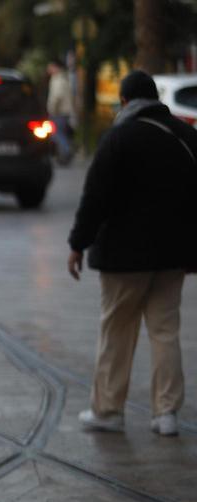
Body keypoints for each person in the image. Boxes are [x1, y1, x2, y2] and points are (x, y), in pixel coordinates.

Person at [67, 70, 197, 437]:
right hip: (172, 255)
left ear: (124, 102)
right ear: (156, 98)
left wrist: (78, 243)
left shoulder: (118, 139)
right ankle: (166, 413)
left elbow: (95, 198)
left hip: (123, 258)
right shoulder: (186, 136)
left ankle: (108, 410)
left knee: (116, 331)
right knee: (165, 330)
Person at [46, 60, 74, 164]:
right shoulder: (63, 78)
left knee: (56, 133)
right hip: (63, 111)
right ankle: (65, 151)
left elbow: (57, 97)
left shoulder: (58, 80)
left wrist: (52, 110)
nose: (48, 69)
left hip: (59, 112)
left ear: (55, 67)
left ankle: (67, 151)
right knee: (60, 133)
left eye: (50, 67)